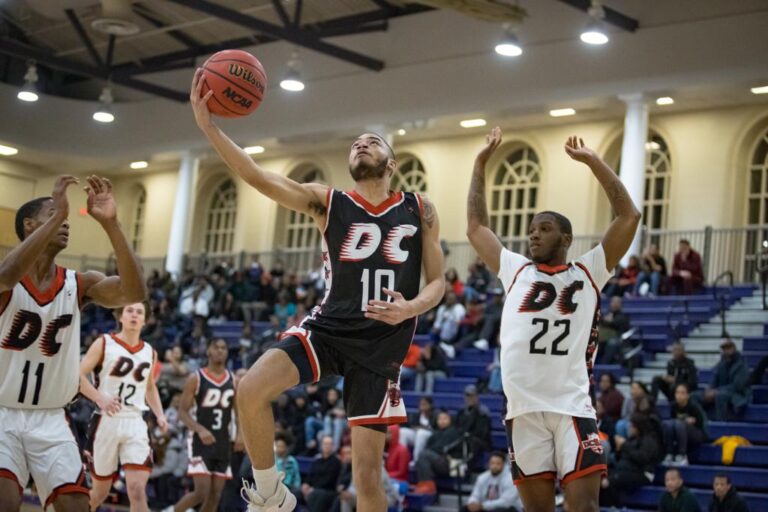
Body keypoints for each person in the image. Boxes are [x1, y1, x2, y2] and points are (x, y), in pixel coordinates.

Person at [191, 69, 445, 512]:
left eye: (372, 141)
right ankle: (271, 493)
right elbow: (257, 176)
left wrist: (413, 308)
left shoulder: (419, 208)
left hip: (382, 344)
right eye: (355, 144)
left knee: (366, 475)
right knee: (249, 389)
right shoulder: (327, 201)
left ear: (393, 163)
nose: (361, 145)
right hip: (329, 327)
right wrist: (210, 126)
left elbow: (439, 281)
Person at [466, 128, 641, 512]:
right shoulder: (515, 270)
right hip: (522, 410)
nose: (533, 236)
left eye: (544, 229)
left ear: (566, 238)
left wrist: (594, 162)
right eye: (531, 230)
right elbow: (477, 228)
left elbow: (629, 215)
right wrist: (480, 164)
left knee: (585, 509)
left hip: (571, 407)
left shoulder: (589, 271)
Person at [0, 175, 146, 512]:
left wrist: (112, 225)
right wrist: (54, 218)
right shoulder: (8, 278)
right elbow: (7, 275)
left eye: (64, 216)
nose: (64, 221)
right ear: (29, 224)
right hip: (4, 415)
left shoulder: (78, 283)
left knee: (77, 507)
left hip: (52, 418)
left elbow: (134, 292)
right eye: (54, 212)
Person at [80, 302, 168, 512]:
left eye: (139, 312)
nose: (134, 315)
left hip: (135, 422)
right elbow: (78, 375)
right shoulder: (104, 343)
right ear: (120, 316)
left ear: (145, 320)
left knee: (137, 490)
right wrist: (99, 398)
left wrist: (160, 415)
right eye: (129, 311)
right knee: (100, 491)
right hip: (106, 420)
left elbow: (150, 387)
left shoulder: (150, 352)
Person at [169, 338, 237, 512]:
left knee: (215, 497)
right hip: (200, 442)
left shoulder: (233, 380)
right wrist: (200, 430)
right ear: (208, 351)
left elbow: (239, 413)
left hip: (223, 442)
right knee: (201, 492)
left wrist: (241, 436)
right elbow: (182, 413)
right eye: (216, 347)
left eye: (224, 347)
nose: (220, 351)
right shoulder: (196, 378)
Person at [696, 339, 752, 421]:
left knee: (720, 396)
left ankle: (721, 424)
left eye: (729, 348)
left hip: (738, 394)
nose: (726, 350)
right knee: (694, 396)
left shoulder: (742, 365)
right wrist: (709, 389)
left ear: (734, 348)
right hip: (720, 391)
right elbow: (715, 378)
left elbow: (737, 386)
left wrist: (716, 391)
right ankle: (700, 422)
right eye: (724, 348)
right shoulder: (721, 364)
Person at [663, 384, 707, 466]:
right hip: (680, 431)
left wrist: (691, 421)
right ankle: (669, 453)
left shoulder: (694, 407)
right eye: (677, 393)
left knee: (680, 424)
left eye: (682, 393)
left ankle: (682, 455)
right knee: (668, 424)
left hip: (697, 433)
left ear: (687, 395)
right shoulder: (673, 406)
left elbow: (701, 424)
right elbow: (673, 421)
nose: (679, 395)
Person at [301, 436, 342, 512]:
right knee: (296, 493)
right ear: (321, 445)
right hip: (314, 489)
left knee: (317, 494)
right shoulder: (317, 461)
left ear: (333, 447)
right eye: (325, 444)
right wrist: (306, 484)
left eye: (329, 444)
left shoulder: (336, 462)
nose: (327, 446)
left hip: (328, 491)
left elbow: (329, 480)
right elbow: (310, 475)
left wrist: (313, 489)